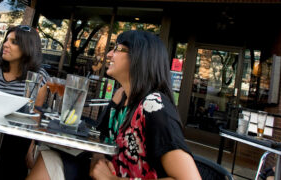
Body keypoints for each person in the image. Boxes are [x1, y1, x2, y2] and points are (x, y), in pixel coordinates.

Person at [27, 30, 201, 180]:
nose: (109, 54)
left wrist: (110, 178)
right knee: (48, 156)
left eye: (117, 49)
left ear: (139, 58)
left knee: (49, 160)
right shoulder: (121, 97)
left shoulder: (154, 106)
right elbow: (101, 141)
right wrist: (97, 159)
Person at [0, 25, 49, 179]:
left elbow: (34, 117)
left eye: (13, 42)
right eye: (6, 40)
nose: (5, 44)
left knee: (13, 165)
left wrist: (30, 148)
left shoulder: (38, 78)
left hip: (14, 137)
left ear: (28, 48)